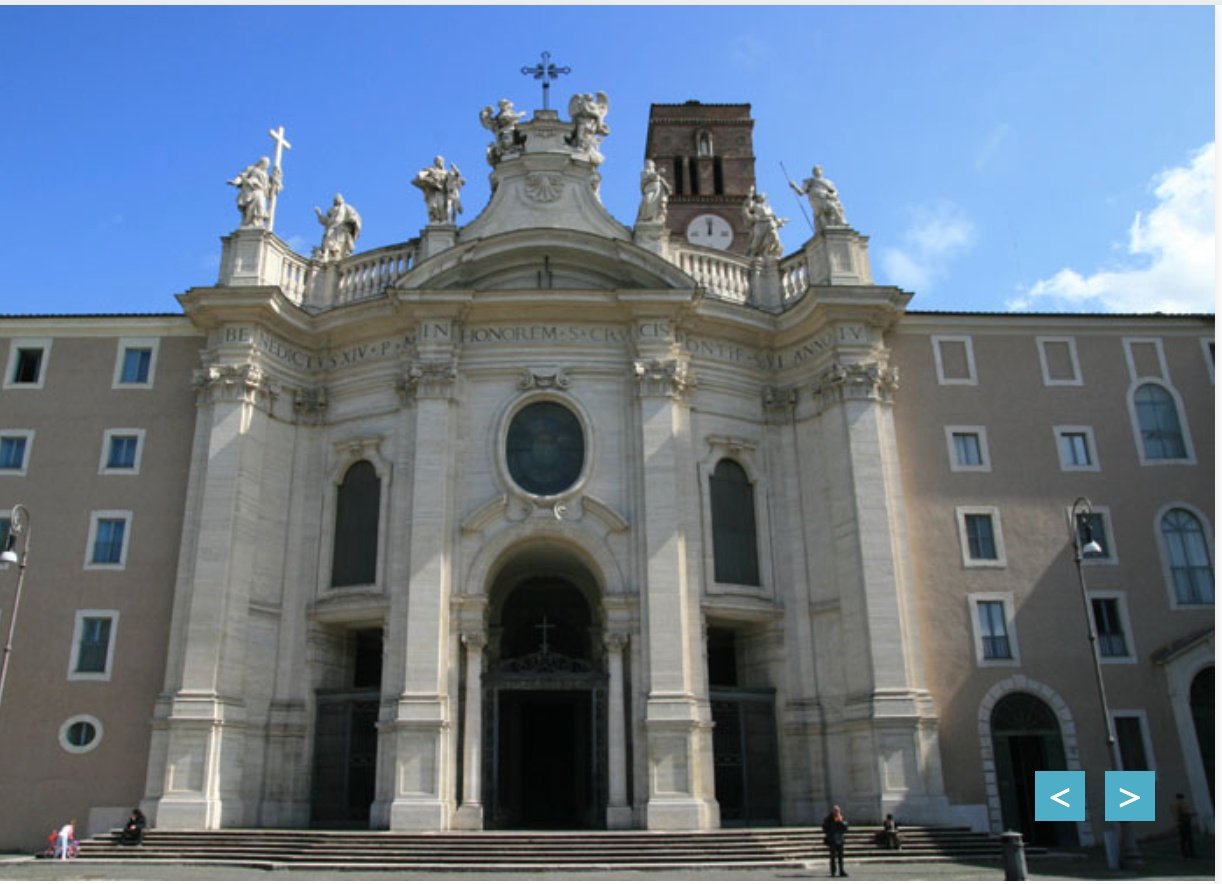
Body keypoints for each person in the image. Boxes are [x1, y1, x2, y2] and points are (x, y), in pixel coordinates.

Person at [789, 165, 847, 232]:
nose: (815, 171)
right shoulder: (810, 181)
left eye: (817, 170)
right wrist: (794, 186)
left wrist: (832, 195)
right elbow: (801, 192)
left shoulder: (828, 182)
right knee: (821, 213)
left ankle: (842, 222)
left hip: (826, 197)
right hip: (815, 200)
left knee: (833, 207)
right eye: (814, 170)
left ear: (821, 171)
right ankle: (834, 224)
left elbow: (835, 192)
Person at [227, 156, 280, 229]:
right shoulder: (252, 169)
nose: (266, 165)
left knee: (260, 208)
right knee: (252, 209)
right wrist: (235, 181)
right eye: (265, 163)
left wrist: (276, 180)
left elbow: (270, 187)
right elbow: (242, 176)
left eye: (268, 164)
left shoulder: (266, 175)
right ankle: (249, 223)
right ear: (261, 162)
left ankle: (257, 222)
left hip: (261, 193)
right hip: (252, 191)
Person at [313, 193, 362, 262]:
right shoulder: (331, 210)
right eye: (335, 199)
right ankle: (327, 255)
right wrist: (319, 213)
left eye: (338, 198)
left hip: (341, 228)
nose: (337, 200)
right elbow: (326, 221)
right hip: (332, 228)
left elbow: (354, 216)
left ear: (342, 199)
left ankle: (335, 255)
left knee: (338, 242)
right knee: (328, 239)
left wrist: (352, 219)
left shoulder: (346, 207)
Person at [636, 160, 673, 224]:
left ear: (653, 166)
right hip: (649, 190)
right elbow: (650, 177)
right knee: (647, 201)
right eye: (646, 164)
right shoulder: (644, 172)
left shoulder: (657, 175)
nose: (647, 165)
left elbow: (663, 182)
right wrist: (658, 172)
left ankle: (654, 218)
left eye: (649, 164)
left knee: (657, 205)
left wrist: (667, 187)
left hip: (658, 191)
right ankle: (646, 218)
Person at [822, 804, 849, 877]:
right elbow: (825, 827)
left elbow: (846, 827)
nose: (837, 812)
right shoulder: (829, 818)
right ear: (833, 811)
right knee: (833, 856)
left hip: (840, 839)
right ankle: (833, 871)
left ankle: (841, 870)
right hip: (832, 839)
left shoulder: (842, 817)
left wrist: (841, 822)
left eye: (838, 811)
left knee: (841, 856)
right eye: (835, 811)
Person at [1171, 793, 1195, 858]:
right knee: (1188, 839)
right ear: (1181, 798)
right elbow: (1185, 812)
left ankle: (1184, 853)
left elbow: (1174, 814)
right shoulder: (1181, 804)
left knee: (1183, 839)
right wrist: (1193, 814)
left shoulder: (1174, 804)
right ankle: (1191, 853)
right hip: (1184, 823)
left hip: (1179, 823)